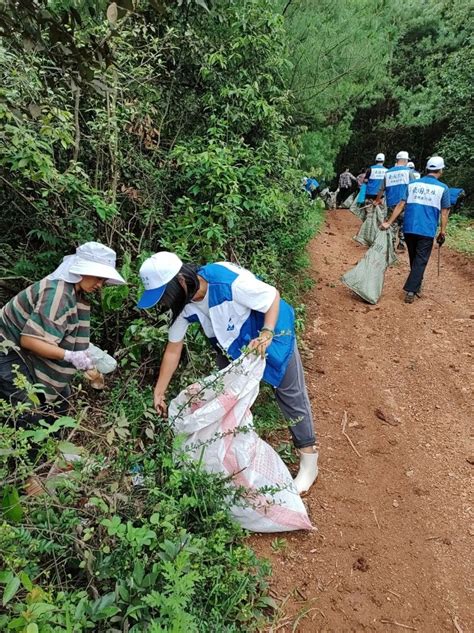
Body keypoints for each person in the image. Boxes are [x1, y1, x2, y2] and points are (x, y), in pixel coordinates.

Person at [137, 252, 319, 494]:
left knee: (289, 393)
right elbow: (173, 349)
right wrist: (159, 391)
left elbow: (272, 297)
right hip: (231, 346)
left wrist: (266, 333)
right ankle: (242, 459)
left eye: (165, 296)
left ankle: (309, 462)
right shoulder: (184, 303)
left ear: (180, 281)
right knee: (230, 401)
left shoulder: (226, 282)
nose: (166, 303)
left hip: (270, 331)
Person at [0, 242, 126, 425]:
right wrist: (70, 356)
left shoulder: (73, 293)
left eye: (103, 280)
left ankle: (49, 451)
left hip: (21, 353)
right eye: (98, 277)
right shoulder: (57, 294)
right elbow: (29, 340)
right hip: (7, 351)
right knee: (29, 413)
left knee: (60, 404)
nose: (100, 284)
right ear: (82, 270)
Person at [380, 156, 450, 303]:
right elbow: (444, 212)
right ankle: (411, 290)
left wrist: (389, 222)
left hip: (409, 227)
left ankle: (416, 283)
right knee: (421, 260)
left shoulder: (412, 185)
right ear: (441, 170)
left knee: (414, 258)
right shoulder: (443, 188)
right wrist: (442, 232)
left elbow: (400, 205)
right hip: (426, 229)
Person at [375, 151, 411, 251]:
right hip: (405, 204)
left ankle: (391, 244)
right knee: (404, 223)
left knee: (392, 223)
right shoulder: (409, 172)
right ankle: (402, 243)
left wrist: (377, 200)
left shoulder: (388, 173)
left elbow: (381, 189)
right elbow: (413, 187)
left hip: (391, 203)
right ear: (405, 160)